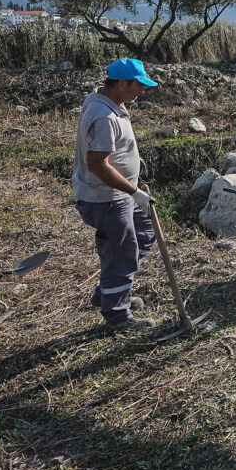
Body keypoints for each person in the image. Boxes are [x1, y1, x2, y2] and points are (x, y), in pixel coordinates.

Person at [73, 58, 160, 330]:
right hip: (107, 198)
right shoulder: (103, 116)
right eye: (138, 86)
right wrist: (134, 191)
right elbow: (98, 164)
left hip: (120, 195)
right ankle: (118, 317)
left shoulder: (110, 103)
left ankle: (109, 291)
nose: (142, 91)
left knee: (145, 233)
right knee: (123, 254)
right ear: (122, 83)